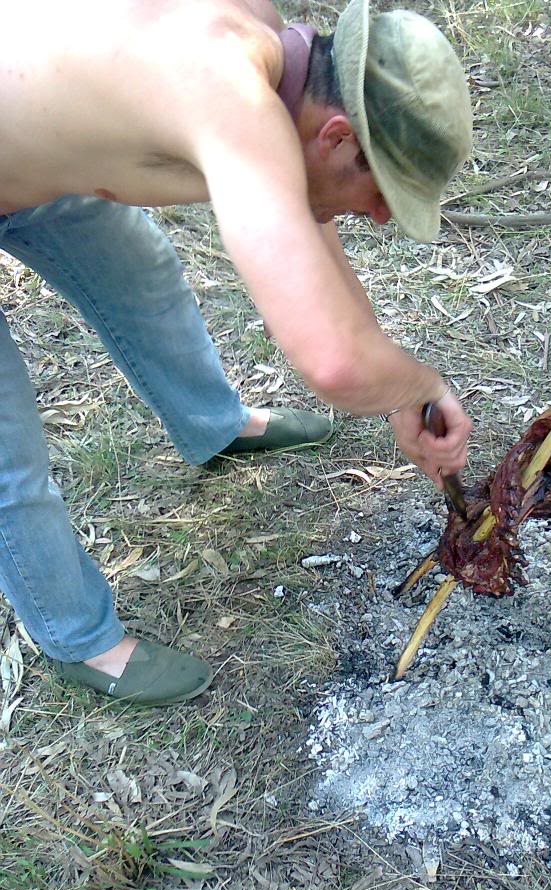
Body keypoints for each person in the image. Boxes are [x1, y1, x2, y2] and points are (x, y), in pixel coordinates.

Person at [0, 0, 474, 705]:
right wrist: (420, 382)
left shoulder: (270, 49)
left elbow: (315, 235)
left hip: (27, 136)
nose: (379, 217)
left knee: (141, 272)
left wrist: (402, 385)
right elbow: (331, 362)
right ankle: (80, 640)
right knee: (8, 453)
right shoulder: (230, 93)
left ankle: (213, 424)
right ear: (339, 136)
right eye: (381, 193)